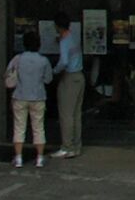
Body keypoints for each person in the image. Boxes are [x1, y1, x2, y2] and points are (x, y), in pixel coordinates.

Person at [5, 35, 54, 169]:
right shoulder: (43, 60)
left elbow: (8, 74)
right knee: (38, 128)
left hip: (20, 96)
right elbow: (48, 79)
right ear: (39, 45)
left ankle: (19, 158)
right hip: (38, 97)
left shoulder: (18, 59)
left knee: (19, 127)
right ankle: (39, 158)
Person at [52, 14, 85, 160]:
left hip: (69, 78)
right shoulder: (73, 37)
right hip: (79, 76)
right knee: (76, 114)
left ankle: (67, 147)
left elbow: (64, 62)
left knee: (66, 114)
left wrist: (54, 71)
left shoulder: (64, 41)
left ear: (57, 26)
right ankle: (76, 146)